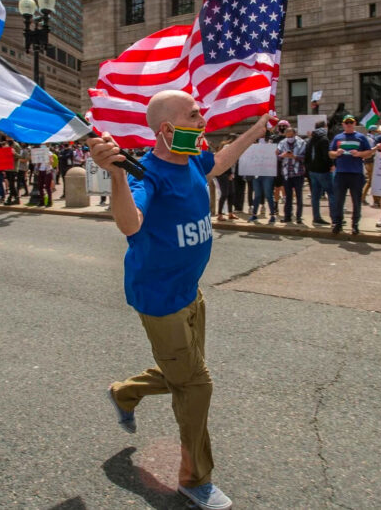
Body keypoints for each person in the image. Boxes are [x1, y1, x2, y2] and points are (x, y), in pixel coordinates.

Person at [89, 89, 269, 510]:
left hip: (191, 291)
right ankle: (195, 479)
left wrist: (257, 130)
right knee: (195, 383)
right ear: (168, 128)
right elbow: (130, 223)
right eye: (194, 114)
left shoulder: (191, 159)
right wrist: (116, 175)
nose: (202, 118)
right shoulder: (145, 174)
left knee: (183, 371)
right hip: (161, 299)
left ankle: (124, 393)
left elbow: (220, 161)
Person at [328, 114, 373, 235]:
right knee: (339, 200)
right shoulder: (338, 137)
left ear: (354, 124)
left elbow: (369, 152)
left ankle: (355, 224)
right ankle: (338, 223)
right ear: (343, 124)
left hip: (356, 173)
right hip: (341, 173)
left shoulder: (361, 137)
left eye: (351, 122)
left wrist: (359, 154)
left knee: (356, 200)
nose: (348, 124)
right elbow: (330, 153)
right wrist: (336, 153)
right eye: (346, 122)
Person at [303, 124, 333, 226]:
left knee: (315, 195)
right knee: (331, 193)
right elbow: (326, 155)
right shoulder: (324, 139)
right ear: (324, 127)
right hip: (323, 171)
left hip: (312, 171)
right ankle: (335, 217)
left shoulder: (311, 139)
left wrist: (308, 168)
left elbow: (306, 155)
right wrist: (331, 165)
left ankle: (316, 217)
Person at [277, 126, 306, 223]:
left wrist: (294, 156)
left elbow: (305, 157)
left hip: (298, 173)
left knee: (299, 196)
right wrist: (283, 155)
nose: (289, 137)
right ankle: (287, 216)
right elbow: (278, 156)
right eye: (288, 136)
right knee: (288, 196)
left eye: (291, 135)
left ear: (295, 134)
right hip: (286, 173)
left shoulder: (302, 143)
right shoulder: (282, 143)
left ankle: (298, 217)